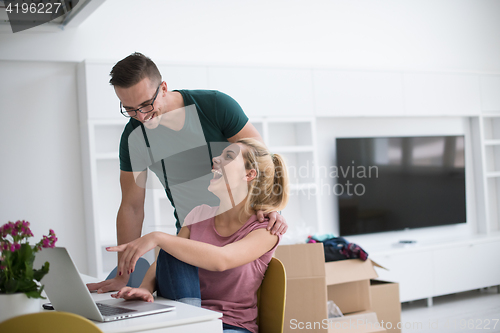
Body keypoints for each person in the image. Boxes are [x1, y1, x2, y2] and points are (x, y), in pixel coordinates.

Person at [87, 53, 288, 293]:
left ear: (163, 88)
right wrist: (123, 274)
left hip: (238, 233)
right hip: (190, 234)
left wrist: (271, 207)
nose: (141, 117)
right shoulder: (134, 138)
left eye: (146, 105)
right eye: (130, 109)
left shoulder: (215, 106)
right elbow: (131, 206)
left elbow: (261, 162)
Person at [107, 138, 289, 333]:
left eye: (228, 156)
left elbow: (222, 259)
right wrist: (145, 287)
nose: (216, 159)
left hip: (230, 325)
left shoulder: (265, 230)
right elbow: (168, 259)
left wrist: (157, 237)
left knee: (173, 245)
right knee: (174, 248)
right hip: (187, 317)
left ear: (249, 174)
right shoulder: (198, 214)